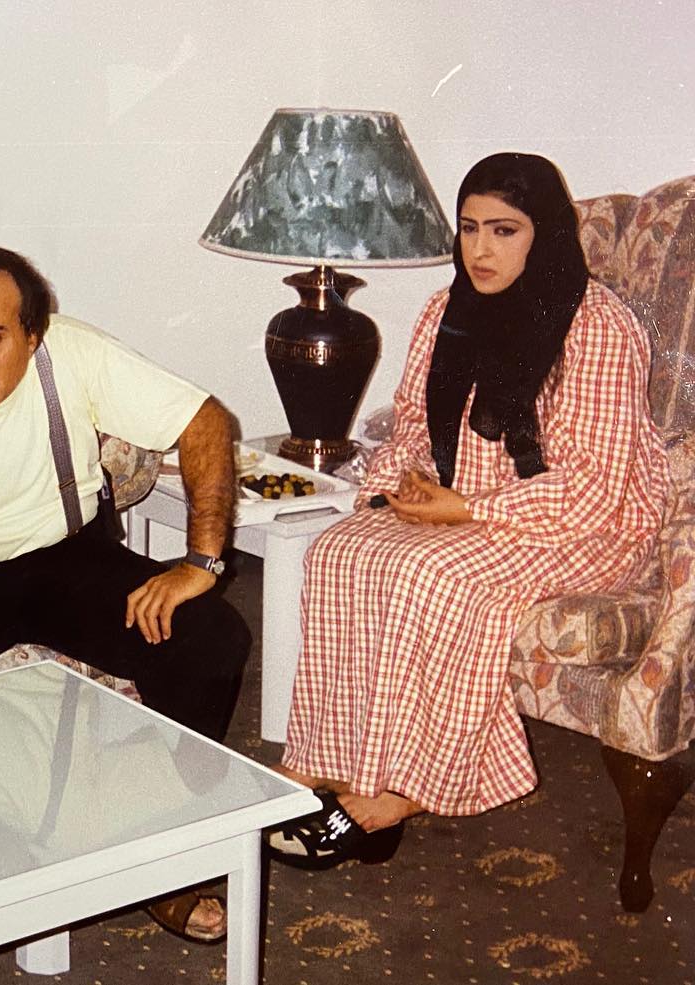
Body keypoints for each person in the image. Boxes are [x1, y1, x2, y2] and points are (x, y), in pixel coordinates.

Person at [269, 153, 669, 868]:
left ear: (544, 234)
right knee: (339, 549)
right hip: (466, 503)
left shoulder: (598, 328)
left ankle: (404, 788)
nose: (481, 249)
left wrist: (467, 508)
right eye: (470, 228)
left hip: (585, 522)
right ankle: (325, 760)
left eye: (504, 230)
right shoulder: (444, 310)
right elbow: (412, 425)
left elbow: (595, 484)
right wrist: (398, 487)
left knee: (435, 576)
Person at [0, 246, 251, 942]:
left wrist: (201, 562)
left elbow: (206, 420)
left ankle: (163, 854)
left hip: (71, 558)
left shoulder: (71, 354)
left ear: (32, 335)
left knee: (210, 638)